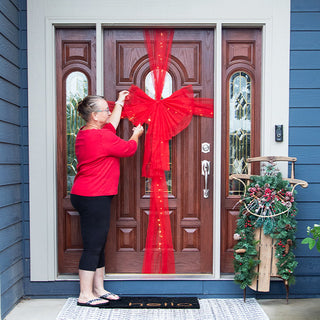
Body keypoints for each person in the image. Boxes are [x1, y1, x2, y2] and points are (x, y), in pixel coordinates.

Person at [70, 91, 144, 307]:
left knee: (98, 243)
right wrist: (136, 134)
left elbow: (111, 125)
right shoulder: (101, 137)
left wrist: (120, 102)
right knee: (93, 245)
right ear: (94, 115)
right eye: (105, 109)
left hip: (87, 194)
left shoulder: (86, 133)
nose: (109, 111)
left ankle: (98, 289)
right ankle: (85, 294)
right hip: (94, 196)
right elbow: (129, 149)